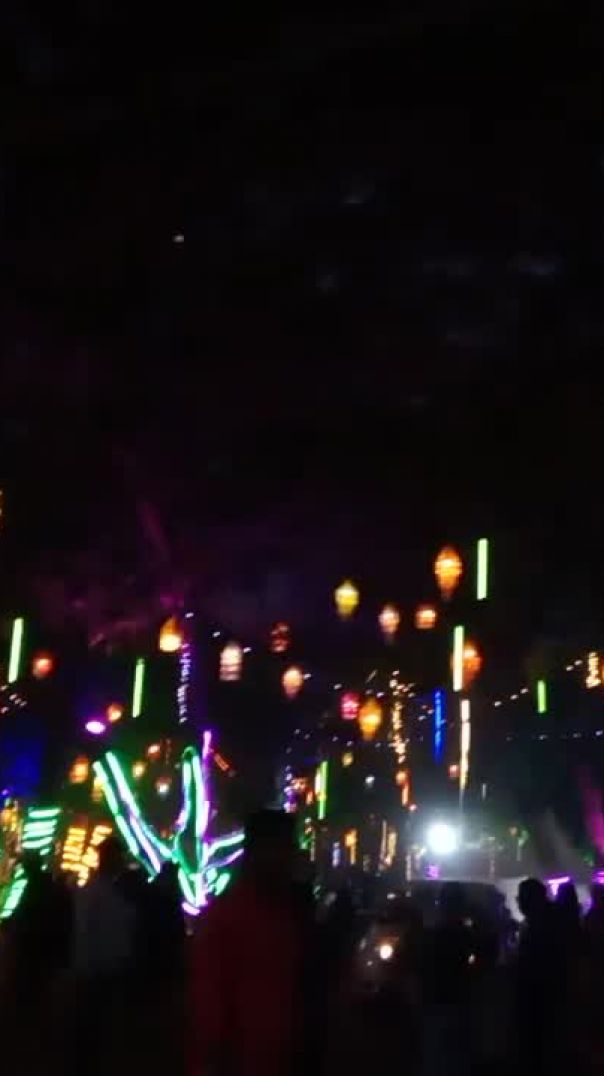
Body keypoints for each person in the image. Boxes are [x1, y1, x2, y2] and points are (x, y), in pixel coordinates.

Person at [189, 810, 310, 1076]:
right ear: (261, 851)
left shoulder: (285, 914)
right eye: (285, 848)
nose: (292, 858)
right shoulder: (227, 917)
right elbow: (209, 1007)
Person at [71, 837, 138, 1074]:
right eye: (118, 857)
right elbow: (86, 933)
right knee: (93, 1034)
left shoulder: (107, 891)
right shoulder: (97, 892)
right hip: (96, 973)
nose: (122, 862)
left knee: (97, 1035)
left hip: (103, 972)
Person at [515, 877, 564, 1073]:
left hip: (541, 999)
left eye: (521, 897)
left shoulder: (541, 926)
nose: (518, 901)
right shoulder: (546, 921)